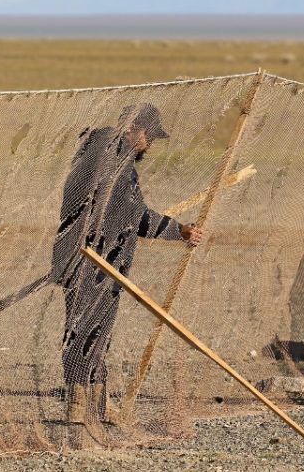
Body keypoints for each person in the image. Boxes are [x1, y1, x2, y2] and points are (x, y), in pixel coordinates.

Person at [51, 102, 203, 426]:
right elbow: (91, 203)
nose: (150, 144)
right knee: (82, 331)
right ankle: (79, 404)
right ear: (133, 129)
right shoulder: (104, 155)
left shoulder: (123, 165)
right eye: (149, 136)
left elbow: (136, 216)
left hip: (108, 266)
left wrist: (179, 230)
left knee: (99, 332)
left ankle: (95, 403)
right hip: (89, 262)